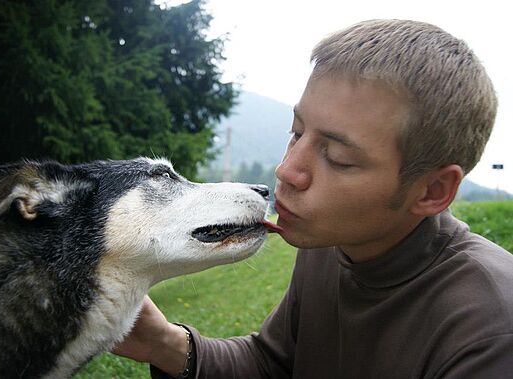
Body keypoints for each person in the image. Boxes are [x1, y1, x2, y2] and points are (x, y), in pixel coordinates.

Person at [113, 19, 513, 378]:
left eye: (338, 158)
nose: (287, 171)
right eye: (296, 131)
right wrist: (162, 343)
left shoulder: (491, 331)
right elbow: (273, 364)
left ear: (432, 191)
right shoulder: (334, 242)